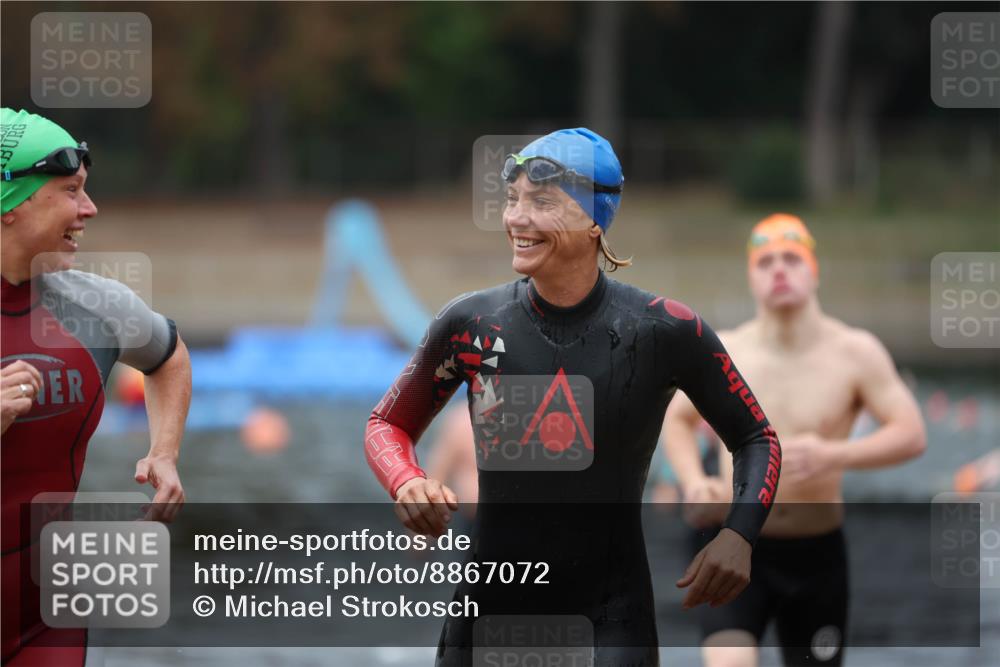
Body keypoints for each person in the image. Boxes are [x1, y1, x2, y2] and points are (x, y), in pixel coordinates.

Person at [364, 128, 782, 666]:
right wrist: (407, 480)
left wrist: (739, 535)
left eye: (541, 202)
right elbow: (386, 425)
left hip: (609, 621)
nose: (517, 218)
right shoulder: (472, 324)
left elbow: (756, 437)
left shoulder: (662, 330)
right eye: (512, 200)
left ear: (594, 221)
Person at [663, 213, 926, 667]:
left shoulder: (855, 352)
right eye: (765, 262)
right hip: (732, 538)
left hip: (815, 553)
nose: (779, 270)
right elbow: (677, 419)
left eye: (791, 259)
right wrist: (692, 481)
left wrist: (833, 454)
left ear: (813, 270)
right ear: (751, 276)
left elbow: (911, 434)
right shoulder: (727, 350)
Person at [1, 108, 191, 665]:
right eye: (71, 191)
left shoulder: (93, 305)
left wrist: (165, 452)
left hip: (41, 621)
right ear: (11, 203)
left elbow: (169, 357)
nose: (89, 209)